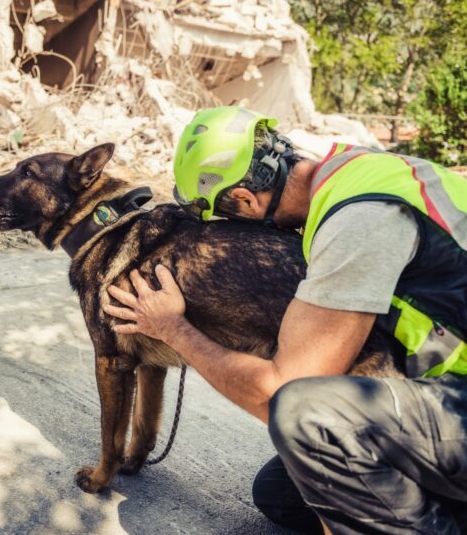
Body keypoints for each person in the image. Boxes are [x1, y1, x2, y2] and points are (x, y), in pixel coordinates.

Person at [103, 106, 467, 534]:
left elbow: (281, 391)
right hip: (450, 391)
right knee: (281, 491)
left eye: (228, 220)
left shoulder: (360, 218)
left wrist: (173, 329)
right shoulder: (359, 169)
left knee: (310, 420)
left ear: (244, 199)